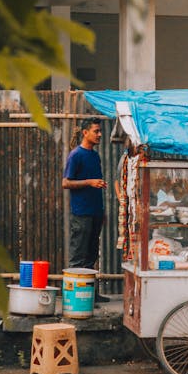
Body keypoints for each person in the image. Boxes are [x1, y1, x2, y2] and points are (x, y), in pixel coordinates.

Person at [62, 117, 110, 302]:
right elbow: (66, 183)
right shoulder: (76, 155)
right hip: (81, 213)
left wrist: (102, 211)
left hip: (95, 212)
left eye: (99, 131)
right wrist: (89, 182)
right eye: (96, 131)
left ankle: (91, 295)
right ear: (85, 133)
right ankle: (73, 299)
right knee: (78, 256)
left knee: (91, 254)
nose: (99, 135)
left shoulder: (94, 155)